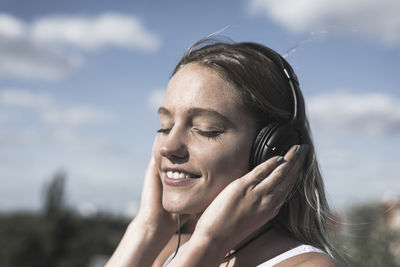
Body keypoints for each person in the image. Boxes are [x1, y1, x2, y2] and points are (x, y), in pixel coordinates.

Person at [106, 39, 340, 266]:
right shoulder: (163, 252)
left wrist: (210, 244)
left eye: (206, 130)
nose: (168, 146)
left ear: (270, 149)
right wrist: (147, 230)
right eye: (164, 127)